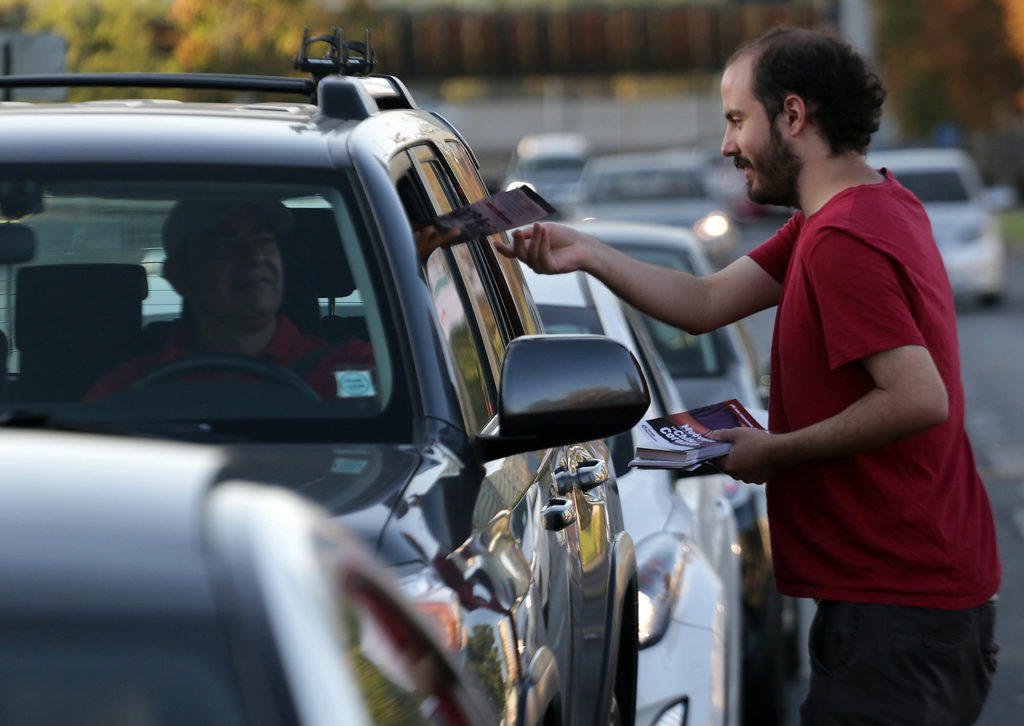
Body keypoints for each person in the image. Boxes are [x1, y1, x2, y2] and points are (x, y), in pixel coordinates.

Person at [489, 26, 1000, 726]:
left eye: (736, 120)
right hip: (906, 601)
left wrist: (776, 450)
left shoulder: (842, 239)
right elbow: (705, 302)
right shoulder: (852, 211)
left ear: (793, 115)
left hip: (899, 609)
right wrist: (586, 253)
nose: (728, 146)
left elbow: (918, 397)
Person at [85, 198, 374, 401]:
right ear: (179, 276)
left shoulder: (355, 366)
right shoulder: (125, 389)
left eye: (264, 240)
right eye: (226, 243)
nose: (255, 256)